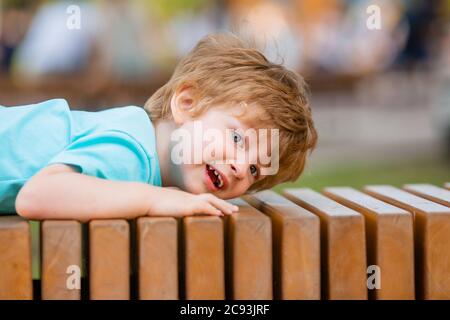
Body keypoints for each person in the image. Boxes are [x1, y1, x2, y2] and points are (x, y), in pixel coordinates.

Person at [0, 33, 317, 222]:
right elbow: (37, 195)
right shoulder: (133, 150)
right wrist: (154, 199)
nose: (239, 167)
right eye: (237, 137)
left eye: (254, 170)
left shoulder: (146, 152)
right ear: (187, 104)